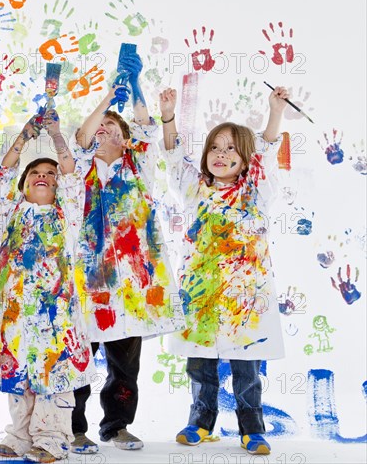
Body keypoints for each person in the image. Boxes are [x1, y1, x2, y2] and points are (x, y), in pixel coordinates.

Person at [159, 85, 289, 455]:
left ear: (246, 158)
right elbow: (172, 157)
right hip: (200, 295)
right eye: (214, 147)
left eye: (231, 148)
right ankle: (200, 423)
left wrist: (274, 111)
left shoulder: (257, 191)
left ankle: (252, 428)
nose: (220, 153)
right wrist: (168, 115)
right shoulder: (194, 188)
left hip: (244, 300)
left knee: (246, 370)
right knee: (200, 366)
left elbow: (265, 152)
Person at [71, 50, 184, 453]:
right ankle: (74, 428)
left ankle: (116, 425)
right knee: (79, 357)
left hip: (133, 286)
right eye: (98, 127)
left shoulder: (139, 165)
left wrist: (134, 86)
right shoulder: (77, 168)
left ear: (126, 137)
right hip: (87, 281)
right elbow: (81, 139)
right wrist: (106, 97)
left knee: (125, 364)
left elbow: (145, 126)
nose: (104, 133)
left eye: (112, 128)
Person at [0, 108, 95, 463]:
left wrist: (57, 134)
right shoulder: (9, 216)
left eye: (49, 173)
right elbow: (1, 177)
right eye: (35, 172)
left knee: (53, 374)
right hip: (15, 317)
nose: (44, 176)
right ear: (24, 184)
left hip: (55, 319)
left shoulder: (69, 216)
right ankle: (20, 434)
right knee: (18, 376)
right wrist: (24, 136)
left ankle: (53, 438)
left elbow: (71, 175)